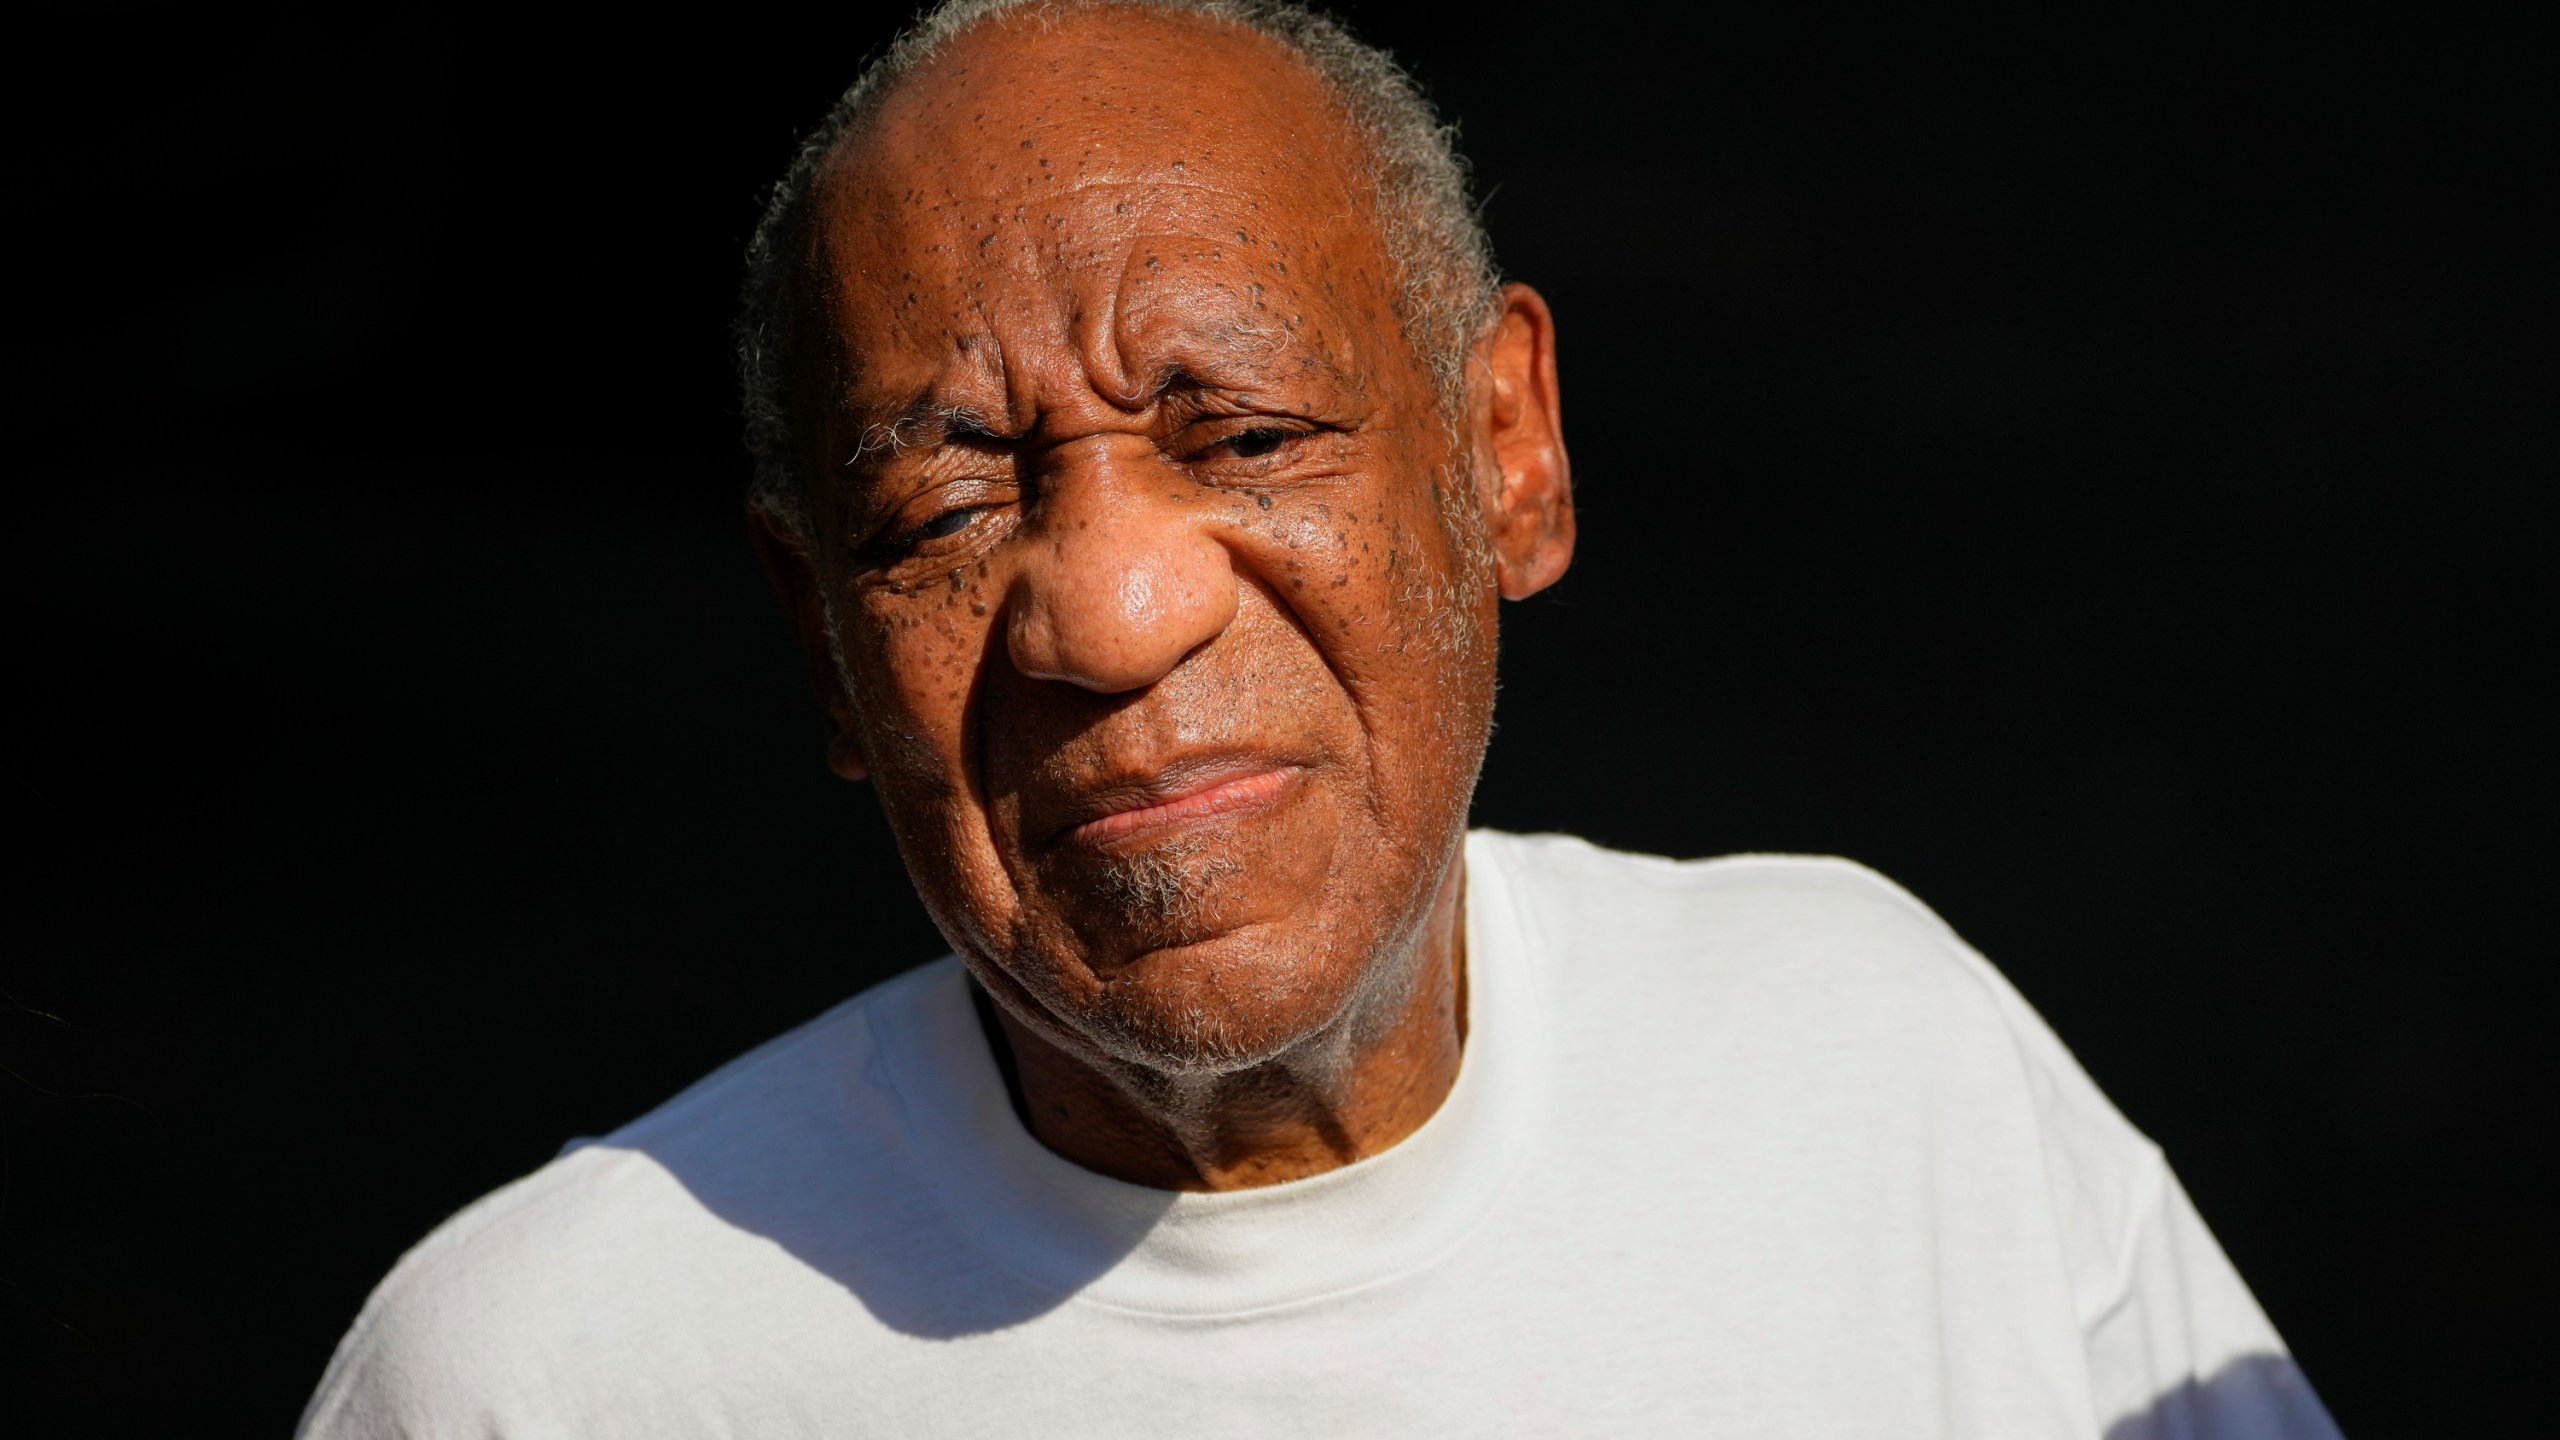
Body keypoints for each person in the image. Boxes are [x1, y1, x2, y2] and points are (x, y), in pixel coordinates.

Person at [299, 3, 2342, 1435]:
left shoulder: (1873, 1062)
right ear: (824, 647)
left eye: (1245, 433)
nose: (1107, 612)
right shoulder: (542, 1380)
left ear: (1503, 453)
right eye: (939, 508)